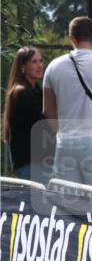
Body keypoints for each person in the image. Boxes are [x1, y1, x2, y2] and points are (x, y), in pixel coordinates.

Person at [41, 17, 92, 189]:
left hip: (66, 143)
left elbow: (48, 111)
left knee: (69, 206)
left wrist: (61, 133)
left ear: (71, 38)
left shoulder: (53, 67)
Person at [3, 46, 54, 183]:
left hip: (37, 162)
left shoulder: (36, 91)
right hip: (32, 162)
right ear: (22, 67)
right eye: (34, 62)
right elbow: (45, 123)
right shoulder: (22, 92)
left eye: (41, 61)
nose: (40, 66)